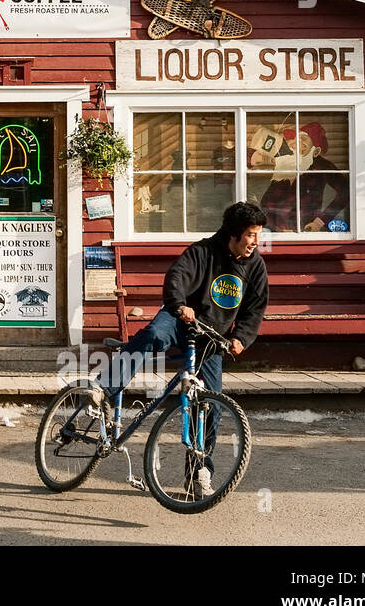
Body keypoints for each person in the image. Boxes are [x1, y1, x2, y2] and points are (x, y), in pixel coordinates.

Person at [91, 201, 269, 496]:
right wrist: (180, 305)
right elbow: (177, 277)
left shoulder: (255, 265)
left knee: (211, 407)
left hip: (210, 337)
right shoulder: (202, 252)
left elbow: (255, 307)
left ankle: (198, 474)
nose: (255, 241)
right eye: (250, 234)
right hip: (179, 318)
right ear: (234, 234)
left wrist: (242, 337)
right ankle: (103, 387)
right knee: (153, 335)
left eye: (258, 234)